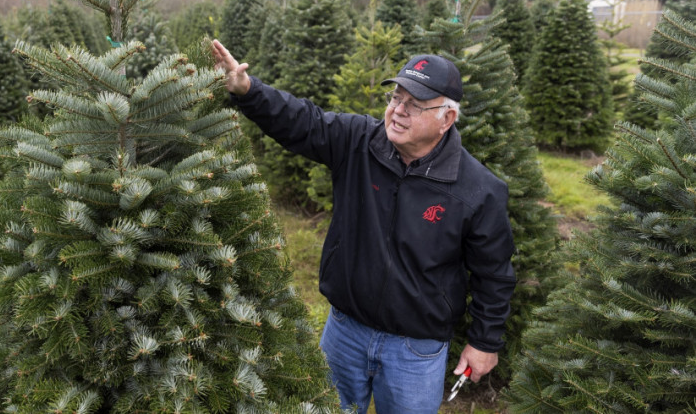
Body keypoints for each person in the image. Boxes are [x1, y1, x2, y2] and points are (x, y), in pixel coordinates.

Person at [211, 40, 516, 414]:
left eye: (415, 104)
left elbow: (494, 274)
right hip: (344, 333)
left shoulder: (477, 190)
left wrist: (485, 342)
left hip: (415, 350)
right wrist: (248, 91)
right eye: (396, 98)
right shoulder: (359, 142)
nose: (398, 111)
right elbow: (302, 121)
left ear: (446, 119)